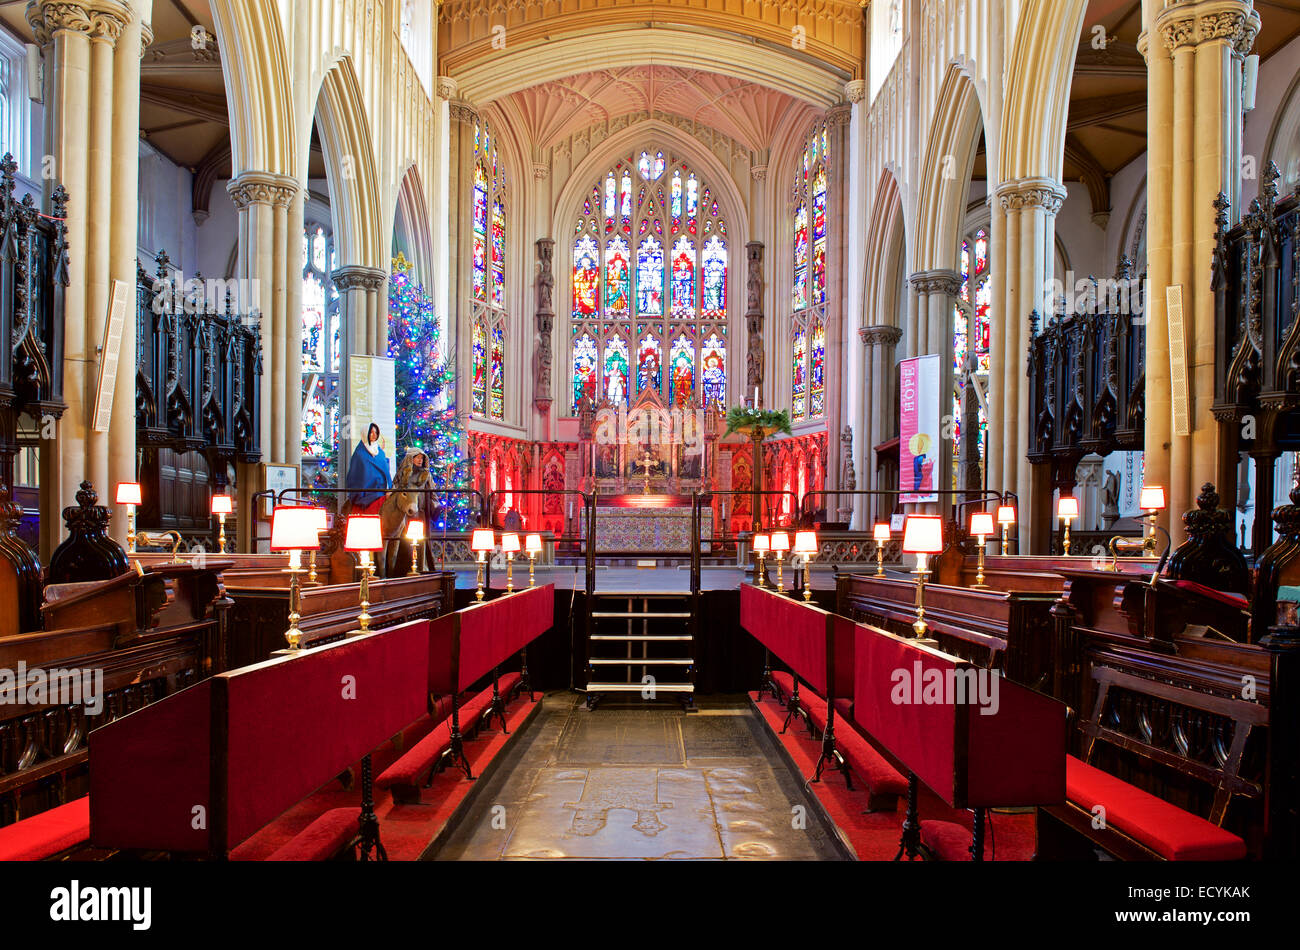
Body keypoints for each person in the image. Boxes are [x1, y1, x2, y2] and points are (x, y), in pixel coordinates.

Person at [347, 423, 390, 514]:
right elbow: (354, 476)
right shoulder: (359, 454)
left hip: (380, 494)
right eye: (371, 432)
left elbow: (386, 472)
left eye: (376, 432)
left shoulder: (380, 453)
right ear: (365, 433)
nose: (374, 435)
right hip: (364, 496)